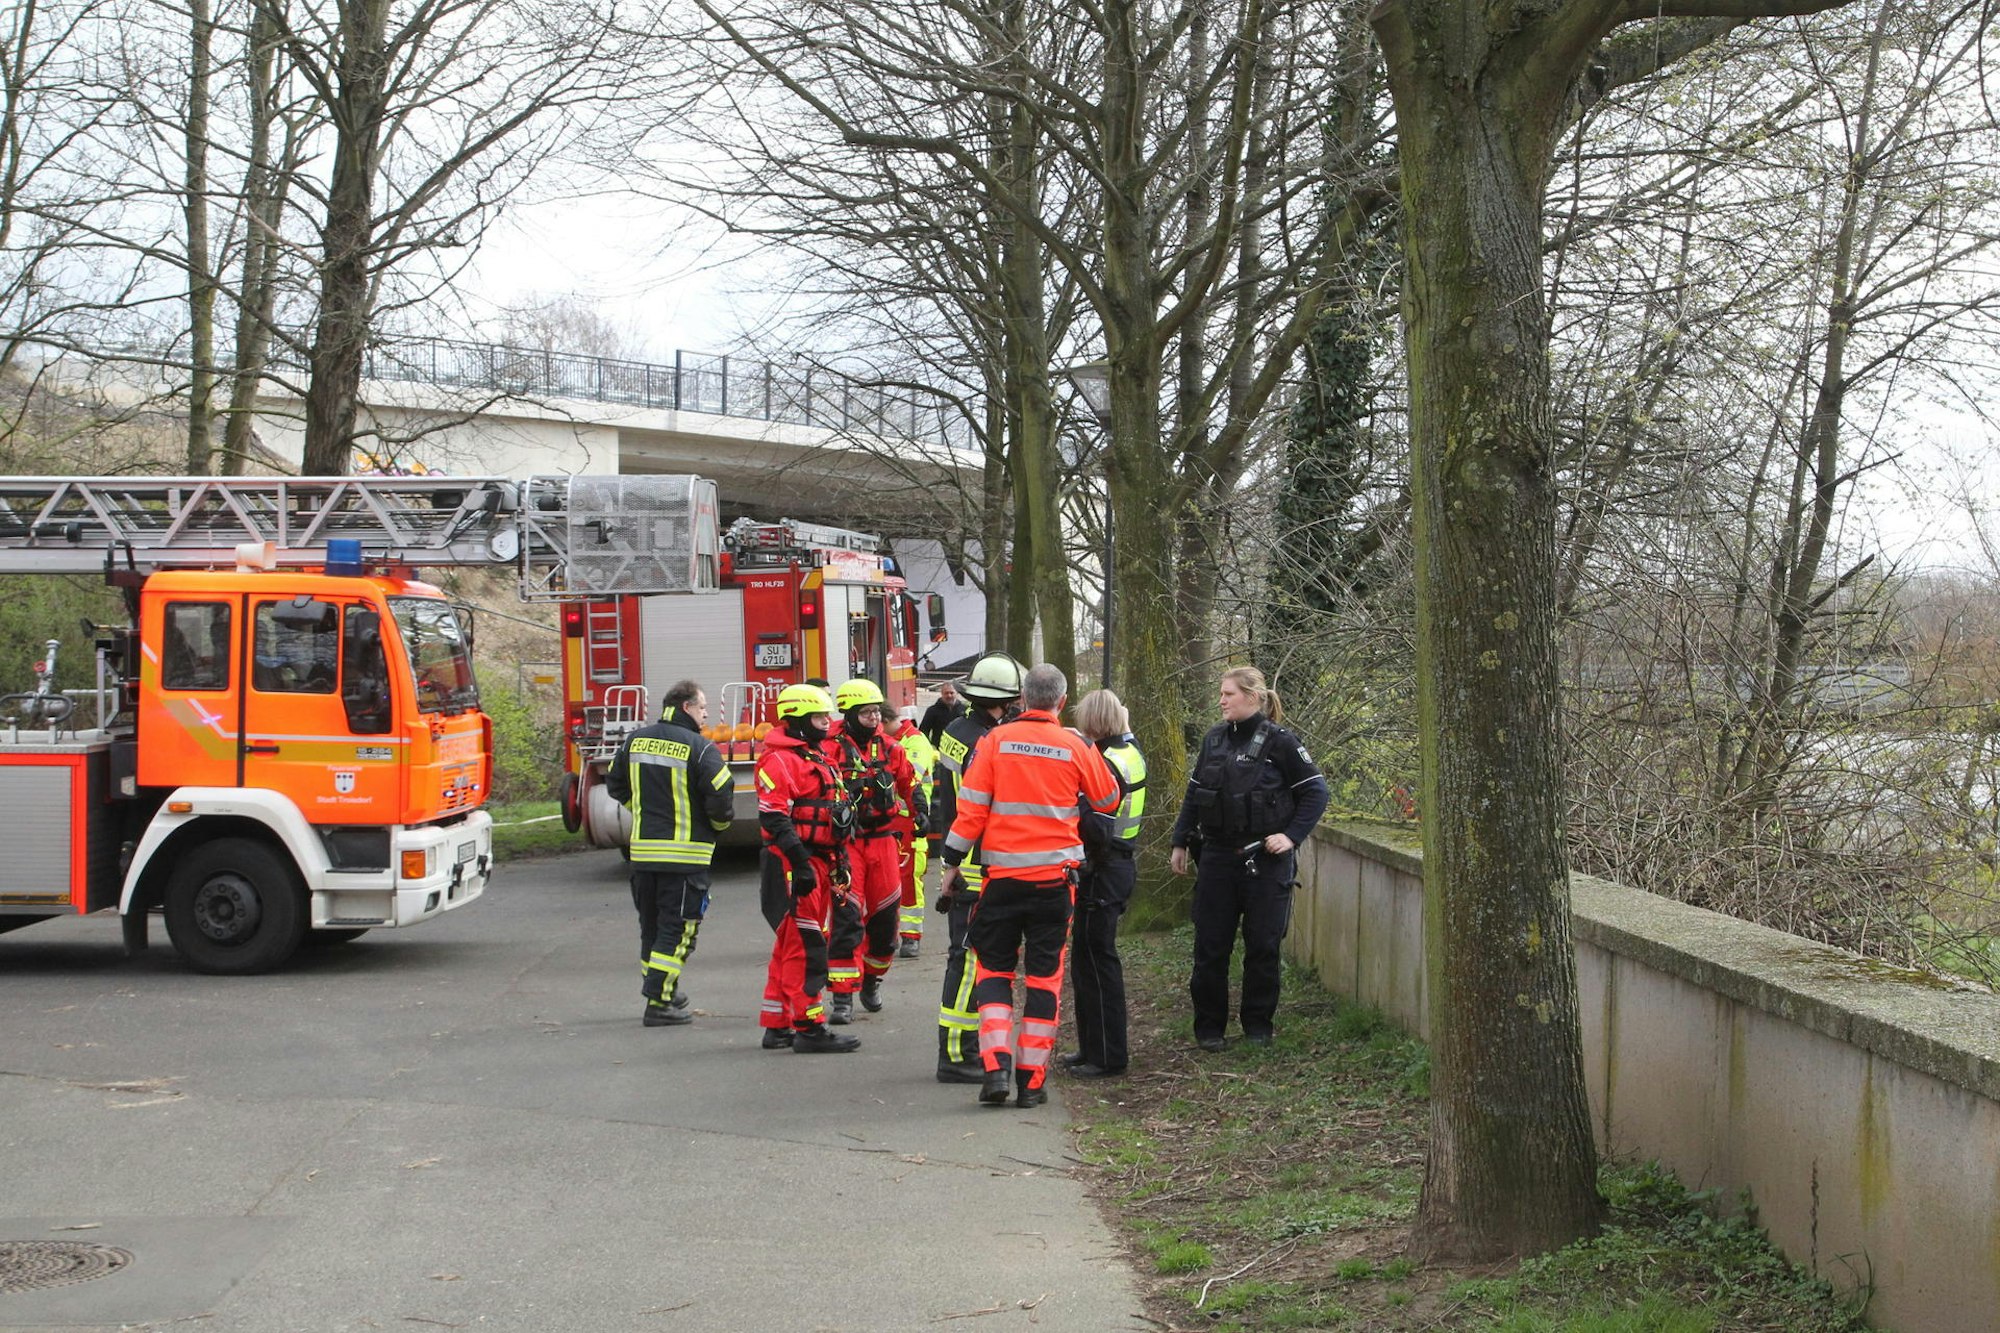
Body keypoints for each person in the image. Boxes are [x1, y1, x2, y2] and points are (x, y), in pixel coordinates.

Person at [940, 663, 1120, 1108]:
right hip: (1054, 886)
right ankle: (1031, 1083)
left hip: (1000, 882)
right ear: (1061, 702)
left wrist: (950, 862)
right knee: (1044, 981)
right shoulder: (1076, 744)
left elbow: (971, 811)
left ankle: (995, 1068)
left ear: (1022, 698)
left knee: (994, 974)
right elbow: (1108, 799)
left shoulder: (994, 742)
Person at [1170, 666, 1329, 1051]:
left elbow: (1315, 793)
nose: (1221, 700)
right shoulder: (1213, 740)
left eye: (1229, 694)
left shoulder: (1281, 743)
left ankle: (1258, 1027)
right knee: (1210, 946)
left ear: (1253, 697)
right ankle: (1209, 1029)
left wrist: (1290, 837)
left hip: (1265, 860)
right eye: (1221, 694)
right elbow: (1194, 795)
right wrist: (1179, 841)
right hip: (1218, 857)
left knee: (1262, 945)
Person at [606, 680, 733, 1027]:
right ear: (686, 708)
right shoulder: (702, 749)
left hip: (644, 855)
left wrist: (643, 809)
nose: (707, 713)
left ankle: (663, 988)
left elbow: (615, 784)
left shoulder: (634, 740)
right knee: (677, 932)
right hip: (686, 858)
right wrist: (713, 829)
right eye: (703, 706)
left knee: (652, 929)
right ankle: (659, 1002)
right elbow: (722, 800)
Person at [929, 651, 1026, 1083]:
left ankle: (958, 1049)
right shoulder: (984, 742)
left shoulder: (955, 729)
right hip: (976, 865)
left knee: (962, 957)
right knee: (967, 961)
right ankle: (955, 1054)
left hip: (960, 856)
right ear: (1004, 700)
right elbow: (982, 808)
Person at [755, 682, 861, 1054]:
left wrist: (839, 854)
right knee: (806, 944)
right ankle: (809, 1026)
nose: (826, 722)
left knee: (788, 944)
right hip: (794, 861)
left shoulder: (814, 755)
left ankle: (777, 1024)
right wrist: (800, 865)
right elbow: (774, 817)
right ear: (797, 719)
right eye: (818, 717)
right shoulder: (779, 760)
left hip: (820, 857)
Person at [824, 678, 923, 1019]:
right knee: (847, 917)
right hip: (848, 843)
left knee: (884, 924)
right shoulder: (830, 749)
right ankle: (841, 998)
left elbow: (910, 782)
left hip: (883, 841)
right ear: (848, 714)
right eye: (865, 713)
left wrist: (921, 811)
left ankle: (872, 979)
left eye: (875, 712)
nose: (872, 718)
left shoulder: (892, 748)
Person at [1062, 689, 1145, 1077]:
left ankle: (1107, 1056)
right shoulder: (1127, 751)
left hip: (1104, 866)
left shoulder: (1108, 760)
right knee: (1088, 959)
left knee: (1096, 961)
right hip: (1115, 864)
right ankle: (1092, 1048)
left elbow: (1096, 822)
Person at [887, 706, 936, 958]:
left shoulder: (914, 741)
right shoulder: (885, 741)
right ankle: (888, 933)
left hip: (911, 820)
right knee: (885, 880)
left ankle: (911, 936)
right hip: (887, 821)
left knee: (909, 877)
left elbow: (909, 778)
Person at [919, 679, 963, 747]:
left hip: (959, 750)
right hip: (938, 749)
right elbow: (923, 732)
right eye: (946, 693)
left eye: (951, 693)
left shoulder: (964, 710)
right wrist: (929, 747)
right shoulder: (932, 711)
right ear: (941, 693)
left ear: (957, 693)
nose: (949, 695)